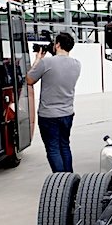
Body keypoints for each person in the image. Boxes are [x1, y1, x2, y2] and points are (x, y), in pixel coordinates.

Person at [27, 32, 81, 173]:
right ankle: (69, 179)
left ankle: (60, 181)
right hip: (67, 113)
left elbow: (29, 80)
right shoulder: (77, 64)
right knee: (64, 146)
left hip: (48, 115)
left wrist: (38, 59)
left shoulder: (46, 63)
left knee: (53, 149)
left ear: (57, 44)